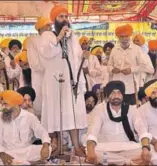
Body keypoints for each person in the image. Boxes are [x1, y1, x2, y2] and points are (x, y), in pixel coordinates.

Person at [39, 5, 88, 156]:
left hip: (71, 82)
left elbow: (78, 58)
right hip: (55, 82)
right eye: (60, 16)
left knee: (72, 112)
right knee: (56, 113)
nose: (64, 19)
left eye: (66, 16)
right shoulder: (48, 36)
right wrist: (59, 37)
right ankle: (59, 145)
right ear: (54, 20)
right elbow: (46, 53)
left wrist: (84, 57)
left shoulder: (73, 36)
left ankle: (76, 145)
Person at [86, 81, 152, 165]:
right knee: (92, 151)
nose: (116, 96)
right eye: (112, 93)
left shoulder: (132, 109)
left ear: (123, 95)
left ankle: (115, 162)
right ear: (107, 95)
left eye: (119, 93)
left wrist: (145, 148)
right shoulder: (99, 110)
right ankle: (128, 162)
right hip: (106, 147)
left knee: (149, 149)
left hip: (128, 147)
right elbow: (92, 132)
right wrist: (91, 151)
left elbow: (142, 130)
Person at [0, 90, 51, 165]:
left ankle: (21, 163)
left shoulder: (29, 117)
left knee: (48, 149)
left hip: (26, 152)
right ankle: (26, 163)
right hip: (7, 152)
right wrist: (2, 154)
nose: (3, 107)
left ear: (15, 104)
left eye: (5, 104)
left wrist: (45, 145)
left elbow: (42, 132)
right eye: (2, 104)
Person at [107, 24, 154, 105]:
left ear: (129, 36)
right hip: (116, 88)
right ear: (118, 38)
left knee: (131, 112)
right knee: (117, 110)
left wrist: (131, 70)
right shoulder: (115, 50)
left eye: (126, 36)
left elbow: (144, 66)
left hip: (131, 88)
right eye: (121, 37)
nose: (124, 39)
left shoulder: (137, 49)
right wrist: (112, 69)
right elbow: (109, 66)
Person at [27, 16, 52, 118]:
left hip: (52, 77)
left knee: (52, 105)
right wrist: (48, 68)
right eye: (47, 25)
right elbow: (34, 63)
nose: (50, 28)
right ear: (40, 27)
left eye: (50, 25)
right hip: (39, 77)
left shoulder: (53, 39)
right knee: (40, 103)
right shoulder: (32, 40)